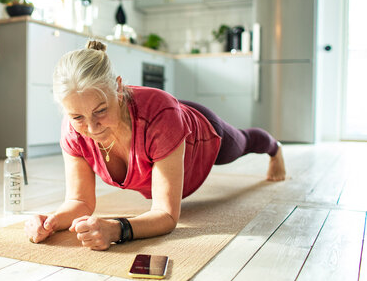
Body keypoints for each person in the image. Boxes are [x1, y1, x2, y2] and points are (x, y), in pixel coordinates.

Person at [24, 40, 286, 251]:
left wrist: (117, 229)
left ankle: (275, 148)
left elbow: (167, 216)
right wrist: (52, 221)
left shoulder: (163, 117)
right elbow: (79, 200)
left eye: (101, 111)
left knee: (244, 142)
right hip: (163, 116)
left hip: (199, 132)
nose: (91, 129)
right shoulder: (73, 130)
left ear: (118, 88)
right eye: (78, 117)